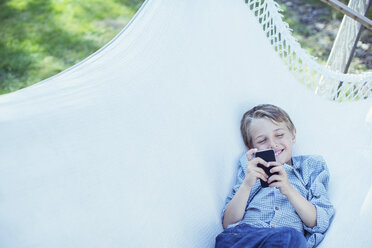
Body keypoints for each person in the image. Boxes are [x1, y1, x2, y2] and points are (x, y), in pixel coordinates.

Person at [215, 104, 335, 248]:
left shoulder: (309, 168)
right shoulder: (249, 169)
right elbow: (228, 223)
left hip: (286, 239)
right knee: (226, 239)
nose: (272, 144)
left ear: (293, 135)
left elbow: (319, 222)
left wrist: (288, 189)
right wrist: (247, 185)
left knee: (291, 237)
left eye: (279, 135)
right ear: (251, 147)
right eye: (262, 140)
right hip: (246, 236)